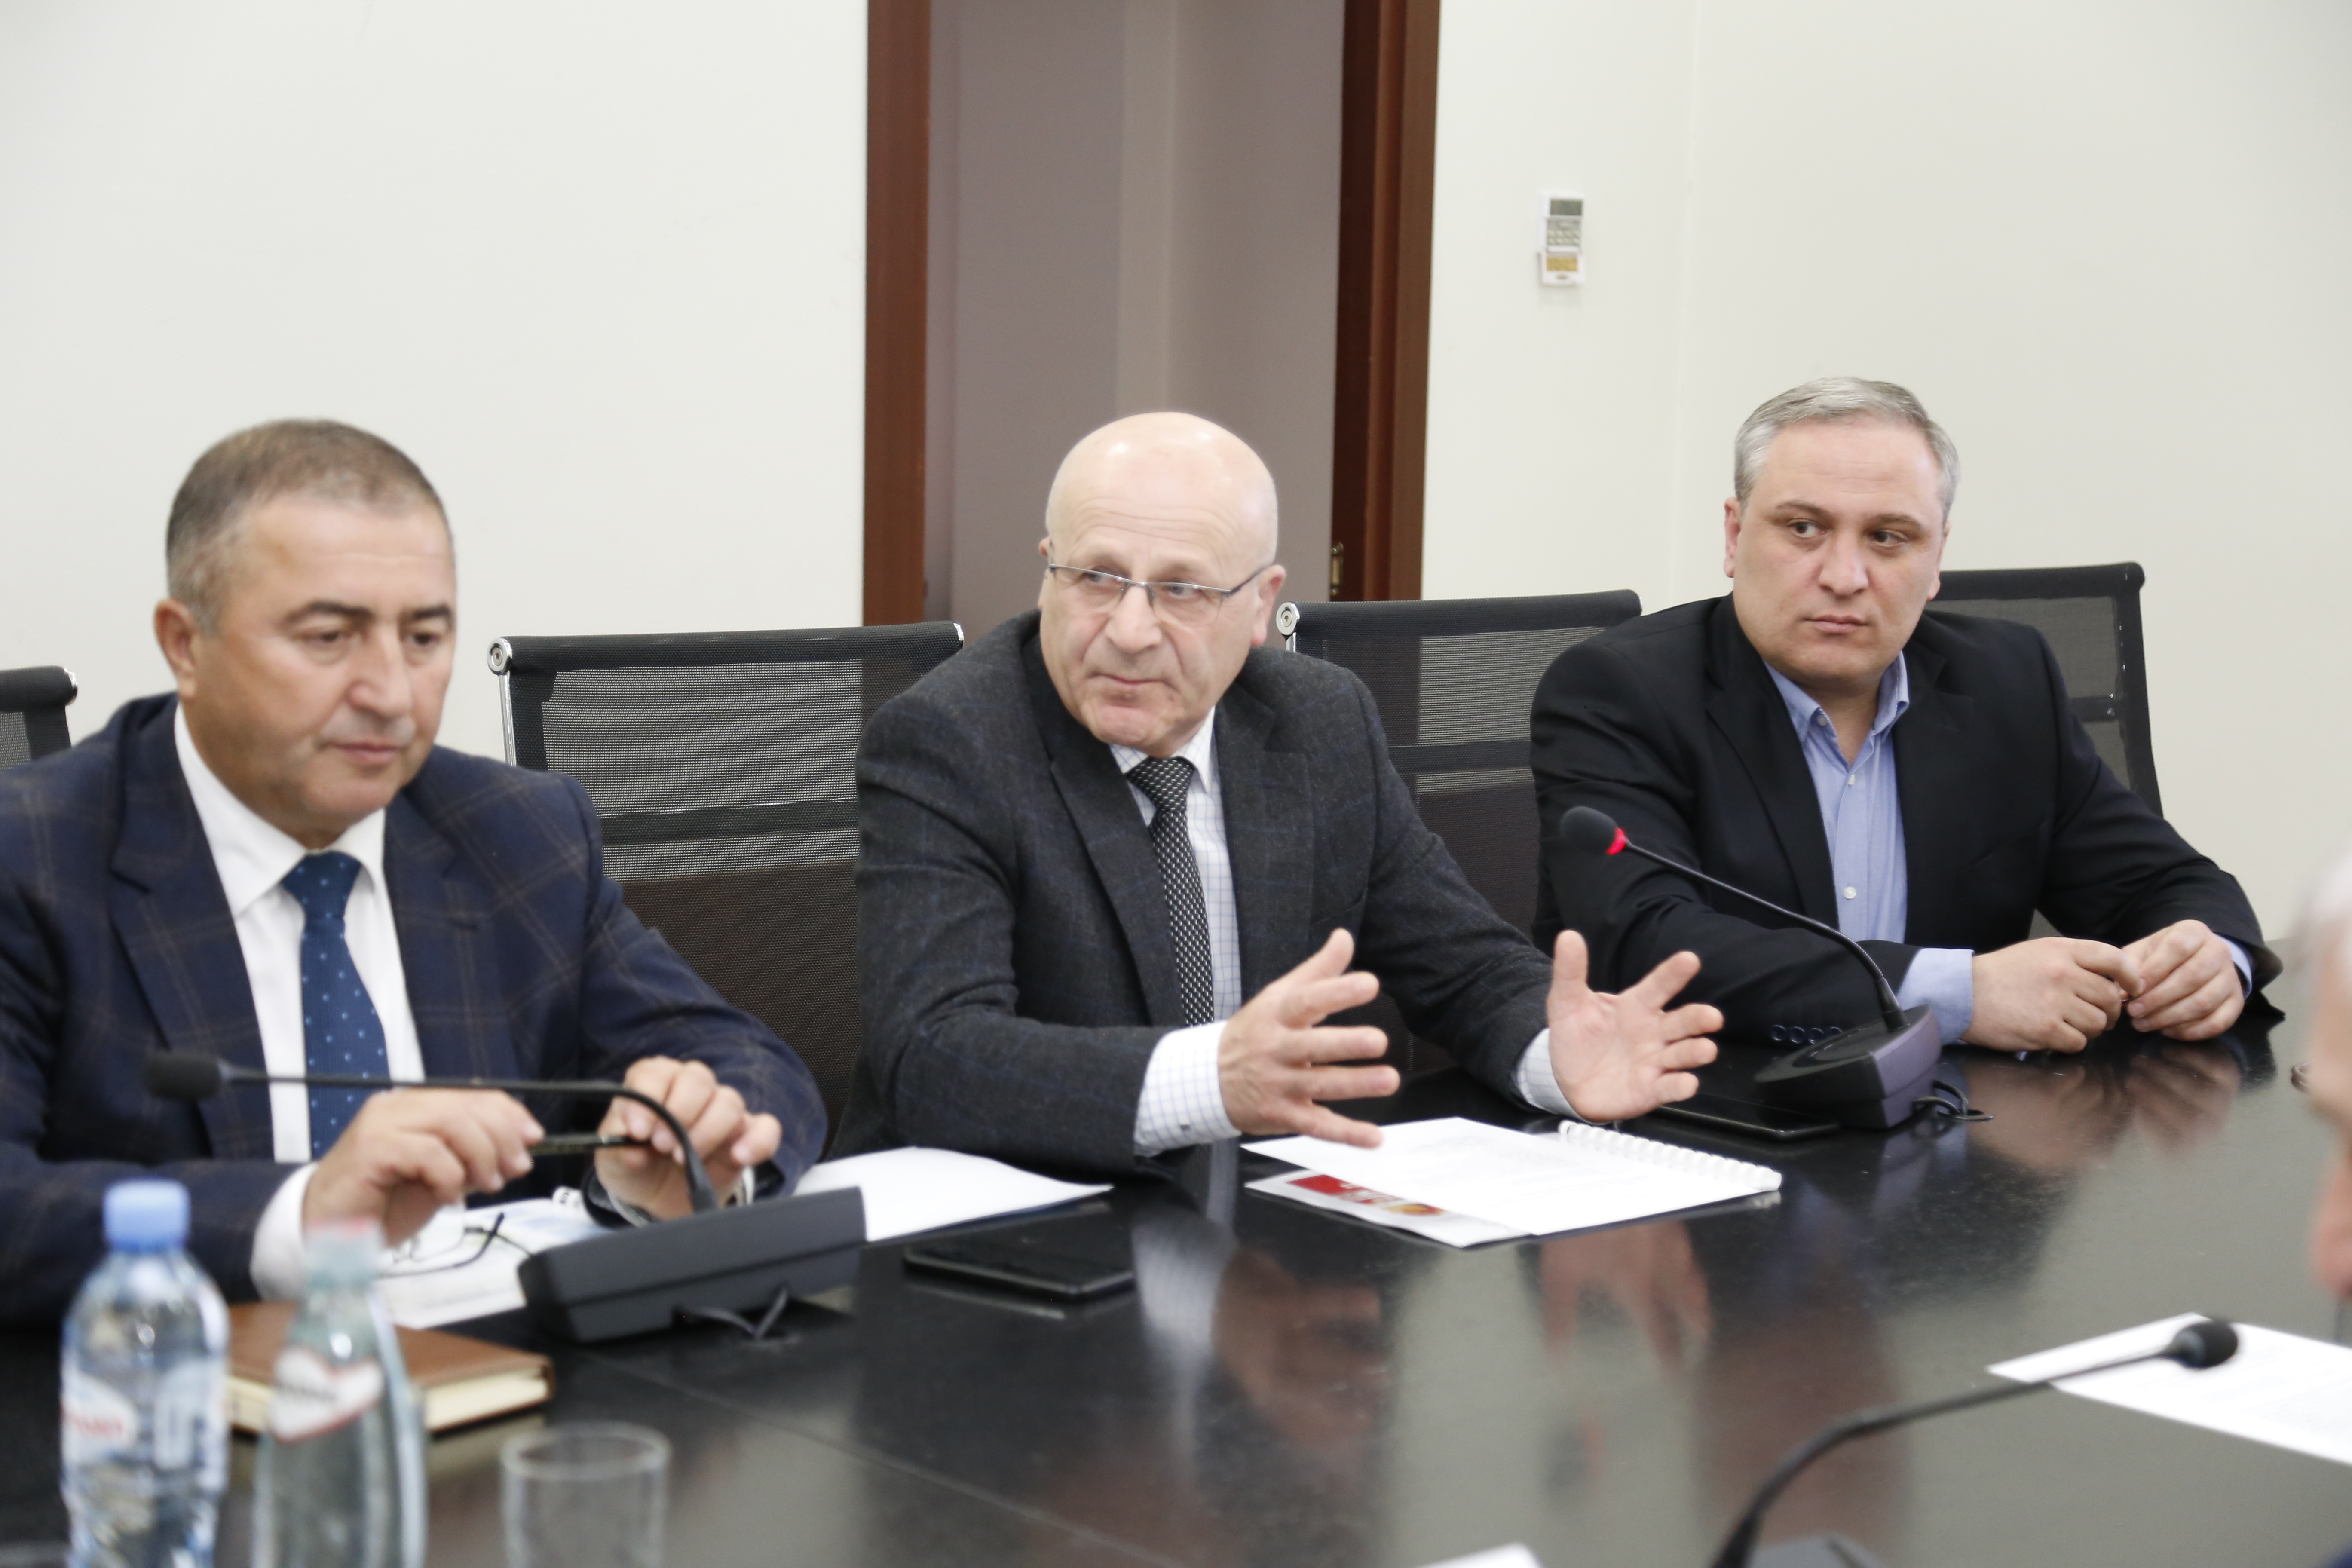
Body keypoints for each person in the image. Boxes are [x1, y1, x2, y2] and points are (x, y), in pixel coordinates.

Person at [0, 420, 824, 1324]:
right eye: (329, 637)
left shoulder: (517, 833)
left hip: (505, 1370)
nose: (392, 693)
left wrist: (682, 1160)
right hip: (163, 1382)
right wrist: (300, 1219)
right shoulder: (35, 858)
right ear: (185, 645)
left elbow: (745, 1061)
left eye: (425, 638)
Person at [840, 412, 1721, 1172]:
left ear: (1260, 606)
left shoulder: (1317, 721)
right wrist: (1214, 1081)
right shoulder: (953, 739)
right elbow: (933, 1057)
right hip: (1009, 1230)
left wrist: (1552, 1055)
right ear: (1047, 571)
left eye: (1182, 590)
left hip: (1260, 1217)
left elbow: (1460, 962)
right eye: (1097, 578)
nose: (1130, 631)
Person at [1529, 377, 2275, 1054]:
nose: (1844, 576)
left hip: (1959, 1122)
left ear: (1937, 555)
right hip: (1713, 1106)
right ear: (1734, 535)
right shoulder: (1619, 690)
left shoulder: (2006, 681)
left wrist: (2211, 956)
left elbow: (2162, 882)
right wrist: (1957, 995)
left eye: (1888, 537)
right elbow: (1647, 942)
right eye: (1803, 528)